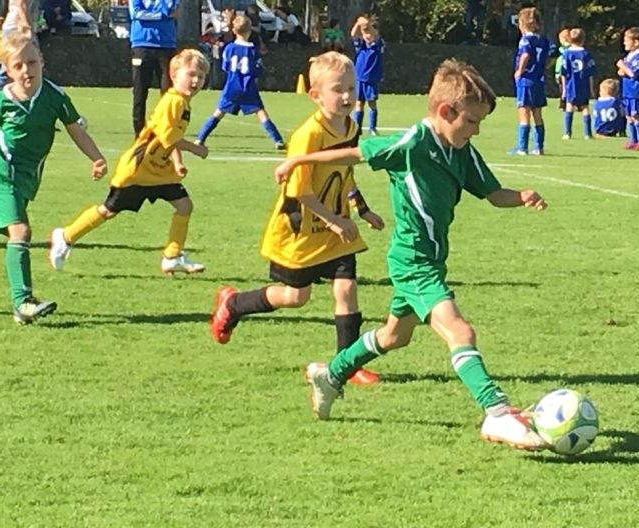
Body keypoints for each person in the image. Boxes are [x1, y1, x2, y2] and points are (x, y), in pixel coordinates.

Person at [273, 59, 549, 450]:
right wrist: (299, 159)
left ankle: (330, 375)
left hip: (433, 260)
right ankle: (497, 413)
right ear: (445, 112)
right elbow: (354, 154)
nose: (477, 130)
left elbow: (492, 193)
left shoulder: (462, 151)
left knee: (393, 336)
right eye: (472, 121)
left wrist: (520, 197)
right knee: (460, 331)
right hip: (412, 260)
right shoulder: (413, 143)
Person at [209, 51, 385, 386]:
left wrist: (361, 209)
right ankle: (232, 304)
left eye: (352, 87)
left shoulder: (351, 126)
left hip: (335, 230)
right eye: (338, 89)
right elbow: (299, 192)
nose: (348, 96)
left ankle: (346, 365)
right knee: (295, 297)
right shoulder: (308, 135)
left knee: (346, 289)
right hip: (300, 229)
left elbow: (345, 174)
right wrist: (333, 219)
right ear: (316, 96)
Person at [0, 31, 107, 322]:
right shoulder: (0, 102)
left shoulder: (55, 96)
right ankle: (23, 302)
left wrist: (95, 157)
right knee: (20, 231)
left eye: (31, 63)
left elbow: (75, 129)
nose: (26, 70)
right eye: (18, 66)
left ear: (42, 62)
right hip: (1, 174)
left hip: (26, 179)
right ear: (7, 70)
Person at [48, 49, 211, 275]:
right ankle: (65, 236)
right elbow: (168, 137)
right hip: (139, 169)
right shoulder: (173, 101)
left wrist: (176, 163)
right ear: (174, 75)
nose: (196, 81)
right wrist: (196, 149)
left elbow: (168, 138)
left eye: (201, 77)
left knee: (184, 205)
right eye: (191, 74)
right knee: (108, 210)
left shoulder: (183, 102)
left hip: (159, 171)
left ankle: (172, 256)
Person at [195, 16, 286, 149]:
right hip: (248, 86)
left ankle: (200, 139)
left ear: (234, 30)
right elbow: (258, 69)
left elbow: (225, 67)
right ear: (249, 31)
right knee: (261, 113)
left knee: (218, 113)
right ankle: (277, 140)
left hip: (232, 87)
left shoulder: (229, 48)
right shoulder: (253, 50)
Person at [128, 0, 179, 136]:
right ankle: (139, 134)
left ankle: (166, 130)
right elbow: (136, 13)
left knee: (168, 92)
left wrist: (155, 14)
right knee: (139, 92)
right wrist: (162, 15)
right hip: (141, 44)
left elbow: (172, 9)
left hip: (166, 45)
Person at [510, 7, 552, 155]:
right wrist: (541, 67)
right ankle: (539, 147)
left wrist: (519, 71)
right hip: (539, 80)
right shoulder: (544, 40)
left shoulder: (525, 40)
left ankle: (522, 147)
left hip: (527, 79)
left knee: (524, 113)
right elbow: (550, 56)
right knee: (538, 115)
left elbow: (525, 55)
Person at [350, 14, 385, 136]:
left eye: (369, 33)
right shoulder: (361, 46)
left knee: (372, 103)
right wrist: (358, 23)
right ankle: (357, 128)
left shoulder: (378, 44)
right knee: (359, 103)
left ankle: (372, 128)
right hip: (360, 79)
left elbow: (375, 35)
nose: (367, 36)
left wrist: (367, 24)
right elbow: (353, 34)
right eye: (365, 34)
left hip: (372, 79)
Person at [560, 27, 596, 139]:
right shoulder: (586, 54)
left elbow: (563, 73)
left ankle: (567, 133)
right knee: (585, 107)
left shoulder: (566, 54)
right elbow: (590, 73)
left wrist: (564, 89)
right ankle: (587, 133)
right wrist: (591, 89)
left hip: (571, 85)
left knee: (569, 106)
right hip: (583, 84)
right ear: (583, 39)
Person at [616, 27, 639, 151]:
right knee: (628, 115)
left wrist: (622, 65)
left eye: (626, 40)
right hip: (627, 91)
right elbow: (621, 73)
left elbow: (632, 73)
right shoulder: (629, 56)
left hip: (635, 91)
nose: (624, 43)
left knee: (635, 115)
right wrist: (623, 68)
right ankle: (632, 141)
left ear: (636, 42)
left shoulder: (638, 57)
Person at [553, 28, 570, 110]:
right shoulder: (559, 49)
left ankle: (565, 103)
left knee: (564, 88)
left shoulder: (568, 49)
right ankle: (563, 102)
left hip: (565, 71)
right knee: (562, 87)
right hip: (559, 70)